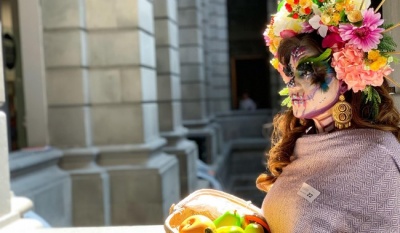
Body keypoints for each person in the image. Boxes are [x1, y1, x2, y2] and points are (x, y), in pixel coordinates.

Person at [256, 0, 400, 232]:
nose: (293, 85)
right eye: (291, 74)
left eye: (309, 71)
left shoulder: (377, 157)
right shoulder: (304, 144)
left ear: (345, 79)